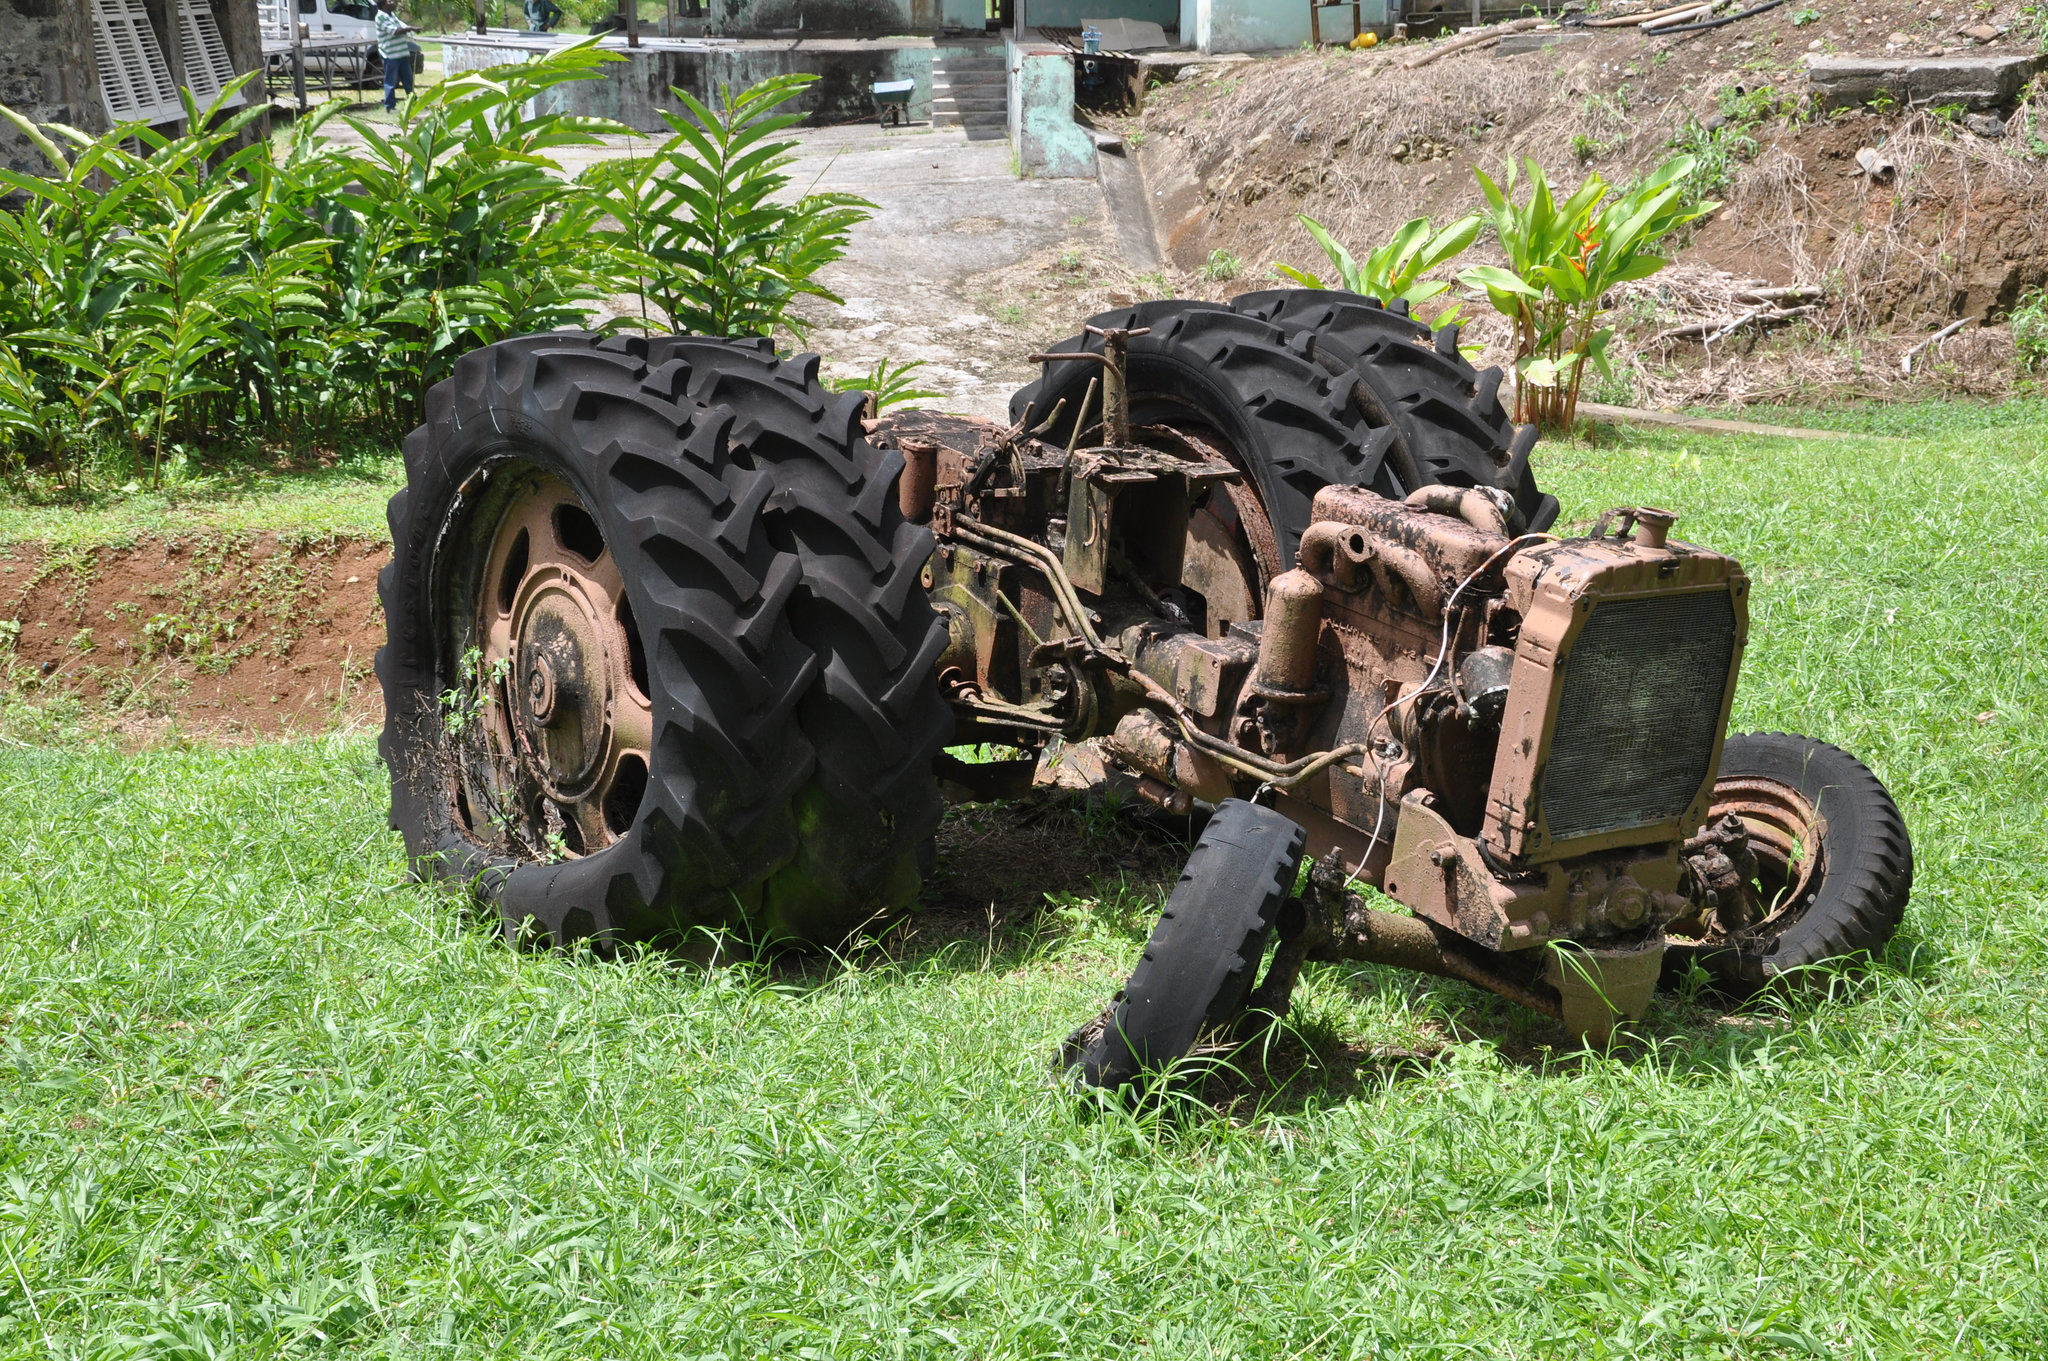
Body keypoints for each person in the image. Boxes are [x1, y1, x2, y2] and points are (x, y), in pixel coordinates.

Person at [374, 0, 417, 112]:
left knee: (408, 81)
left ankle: (414, 103)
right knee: (391, 82)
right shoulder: (380, 17)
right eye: (389, 1)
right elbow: (395, 31)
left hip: (402, 54)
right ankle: (390, 106)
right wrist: (411, 28)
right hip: (390, 55)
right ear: (383, 5)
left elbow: (401, 26)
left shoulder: (391, 15)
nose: (393, 2)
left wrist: (410, 29)